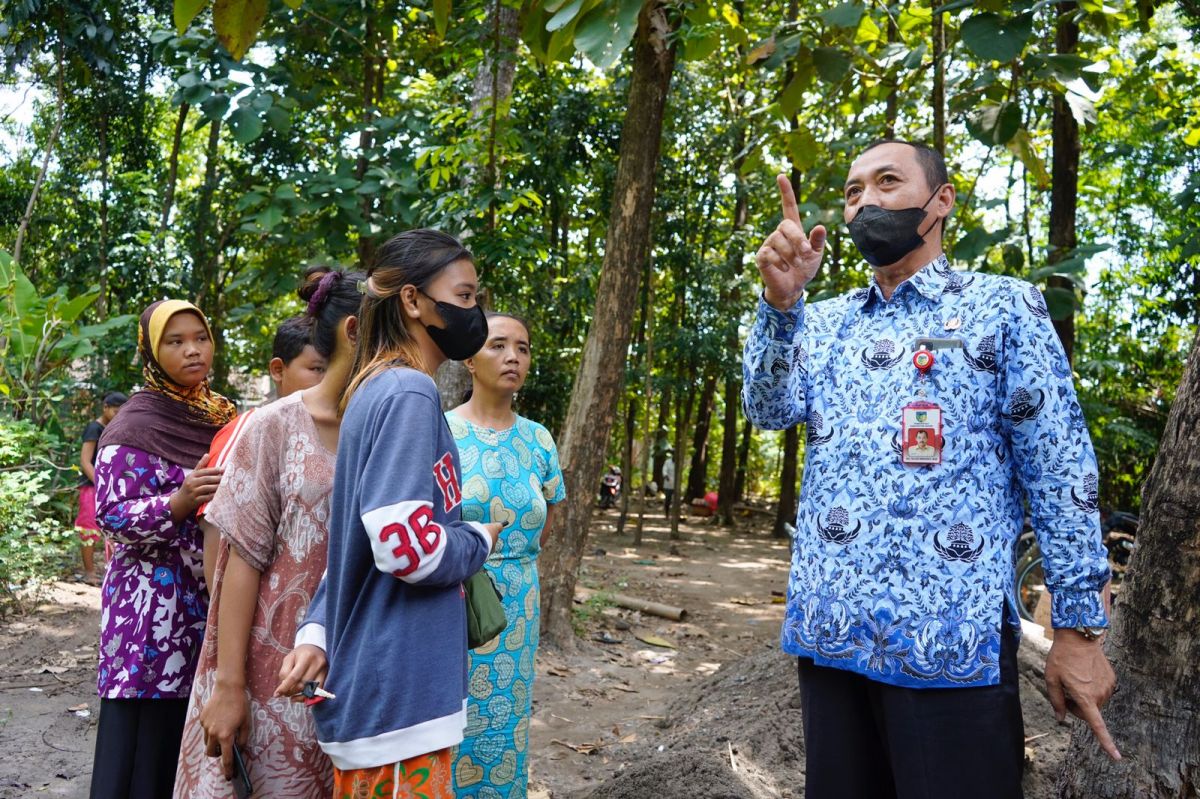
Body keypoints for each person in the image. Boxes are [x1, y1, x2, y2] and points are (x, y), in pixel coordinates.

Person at [743, 140, 1117, 799]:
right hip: (832, 638)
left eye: (888, 181)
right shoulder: (823, 322)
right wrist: (779, 306)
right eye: (854, 191)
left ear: (940, 201)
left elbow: (1057, 468)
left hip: (951, 646)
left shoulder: (1005, 309)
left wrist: (1079, 628)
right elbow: (768, 409)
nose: (866, 201)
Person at [275, 229, 504, 799]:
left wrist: (319, 633)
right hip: (401, 697)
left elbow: (349, 543)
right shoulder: (408, 392)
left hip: (380, 690)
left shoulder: (374, 389)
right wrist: (478, 538)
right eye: (467, 296)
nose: (476, 313)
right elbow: (405, 547)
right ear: (412, 300)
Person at [173, 268, 364, 799]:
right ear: (354, 333)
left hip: (353, 665)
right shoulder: (272, 425)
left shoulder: (388, 428)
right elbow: (239, 561)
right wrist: (230, 685)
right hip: (267, 675)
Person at [89, 300, 235, 799]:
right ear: (152, 351)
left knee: (196, 735)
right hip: (149, 618)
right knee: (144, 748)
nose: (193, 350)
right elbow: (111, 515)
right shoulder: (133, 425)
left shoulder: (224, 416)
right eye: (175, 341)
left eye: (201, 337)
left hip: (210, 602)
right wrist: (177, 502)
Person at [445, 312, 565, 798]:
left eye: (523, 347)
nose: (513, 357)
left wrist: (514, 563)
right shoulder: (441, 431)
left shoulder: (539, 439)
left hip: (519, 604)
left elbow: (548, 513)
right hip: (454, 601)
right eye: (498, 346)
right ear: (470, 358)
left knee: (507, 726)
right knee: (454, 723)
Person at [198, 313, 330, 589]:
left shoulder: (342, 430)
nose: (329, 380)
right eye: (317, 369)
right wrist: (223, 624)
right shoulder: (249, 429)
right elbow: (216, 531)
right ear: (278, 370)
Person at [76, 391, 128, 584]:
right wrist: (101, 484)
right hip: (92, 487)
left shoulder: (116, 428)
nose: (118, 415)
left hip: (110, 487)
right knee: (88, 527)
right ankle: (89, 573)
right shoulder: (94, 428)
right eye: (115, 411)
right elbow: (85, 461)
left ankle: (112, 571)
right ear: (105, 407)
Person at [661, 449, 675, 516]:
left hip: (676, 485)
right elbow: (664, 471)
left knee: (676, 501)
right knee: (667, 500)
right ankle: (667, 514)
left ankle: (675, 515)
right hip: (668, 485)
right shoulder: (667, 462)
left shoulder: (679, 463)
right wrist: (667, 477)